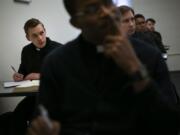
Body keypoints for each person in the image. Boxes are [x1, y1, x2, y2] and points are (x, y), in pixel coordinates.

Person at [27, 0, 180, 135]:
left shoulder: (149, 56)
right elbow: (43, 123)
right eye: (93, 9)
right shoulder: (56, 64)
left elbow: (170, 125)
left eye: (108, 3)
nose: (107, 12)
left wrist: (136, 70)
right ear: (76, 22)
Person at [9, 18, 62, 135]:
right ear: (28, 38)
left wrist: (38, 75)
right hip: (33, 97)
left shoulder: (58, 49)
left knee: (37, 120)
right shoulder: (26, 50)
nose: (40, 38)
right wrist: (18, 76)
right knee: (17, 116)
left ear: (45, 31)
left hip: (54, 98)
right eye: (34, 35)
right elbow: (22, 72)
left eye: (41, 33)